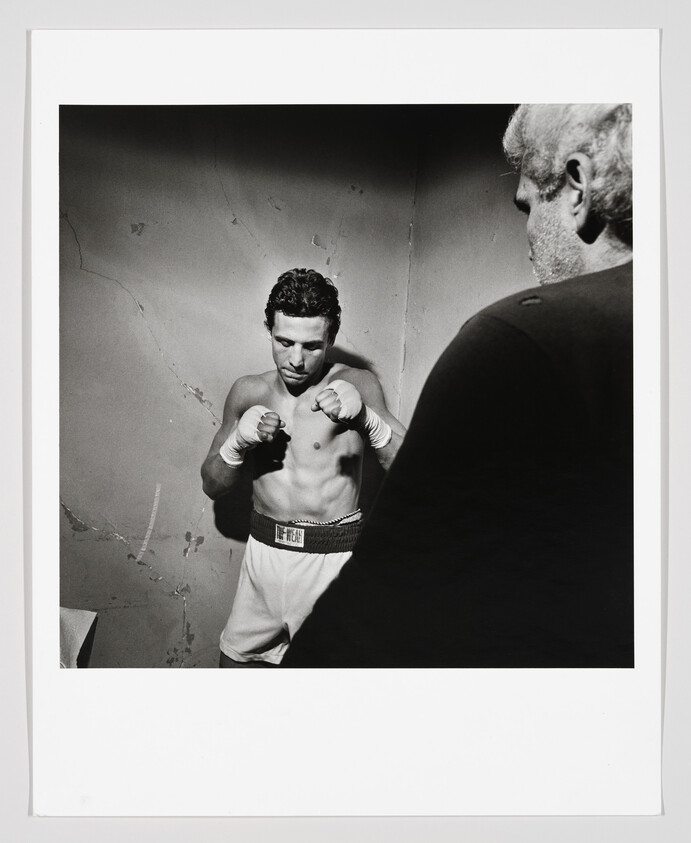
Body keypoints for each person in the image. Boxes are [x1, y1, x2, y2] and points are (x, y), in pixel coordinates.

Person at [282, 104, 634, 668]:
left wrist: (367, 418)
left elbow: (383, 597)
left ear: (577, 187)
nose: (526, 233)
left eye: (527, 205)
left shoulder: (516, 338)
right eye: (284, 341)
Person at [201, 268, 406, 666]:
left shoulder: (358, 383)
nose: (296, 360)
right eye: (284, 342)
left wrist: (368, 420)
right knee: (233, 672)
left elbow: (412, 471)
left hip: (332, 563)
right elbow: (212, 484)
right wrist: (236, 443)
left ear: (331, 338)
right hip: (264, 556)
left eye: (312, 346)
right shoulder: (248, 391)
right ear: (270, 330)